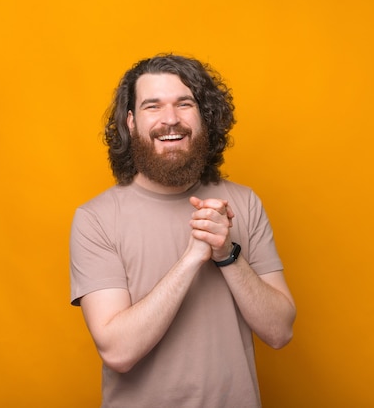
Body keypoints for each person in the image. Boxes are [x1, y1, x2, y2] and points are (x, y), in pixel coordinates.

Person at [69, 54, 296, 408]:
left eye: (184, 103)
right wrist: (192, 258)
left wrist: (227, 254)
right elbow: (117, 351)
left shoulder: (245, 203)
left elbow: (280, 332)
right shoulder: (95, 219)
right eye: (152, 106)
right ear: (131, 122)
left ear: (205, 117)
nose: (170, 119)